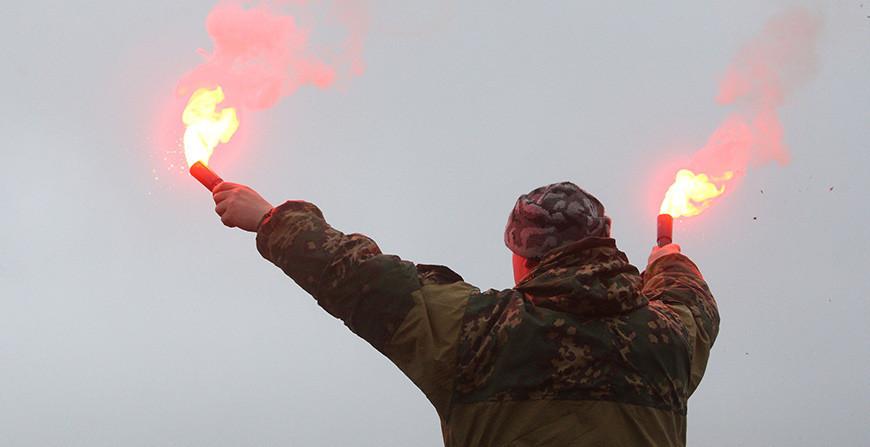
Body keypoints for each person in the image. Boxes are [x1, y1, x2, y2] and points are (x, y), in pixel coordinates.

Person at [212, 180, 719, 446]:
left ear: (524, 256)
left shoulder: (478, 332)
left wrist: (270, 219)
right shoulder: (666, 341)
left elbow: (362, 278)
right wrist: (669, 261)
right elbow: (691, 301)